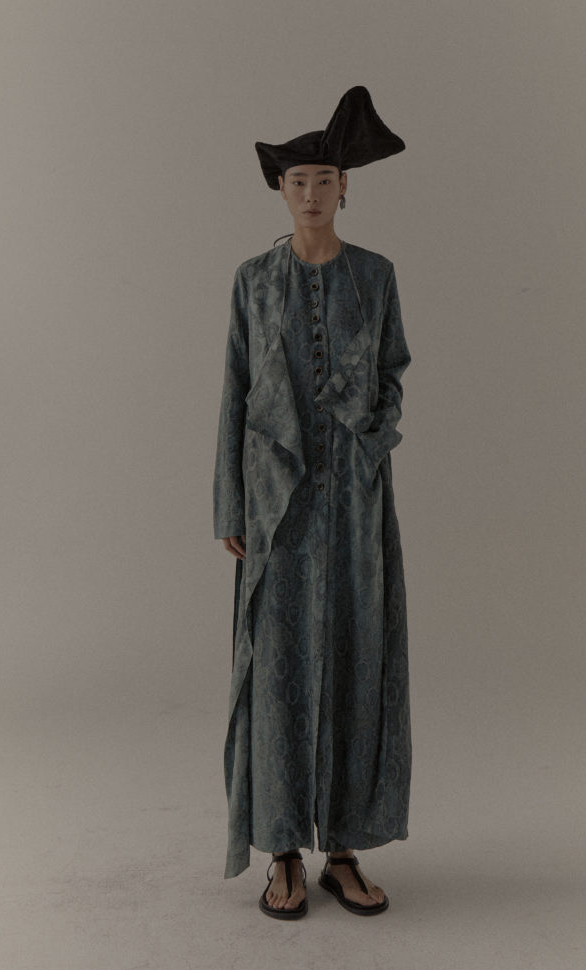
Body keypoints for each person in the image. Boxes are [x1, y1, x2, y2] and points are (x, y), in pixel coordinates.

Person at [213, 86, 412, 919]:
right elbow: (235, 391)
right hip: (277, 511)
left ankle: (344, 850)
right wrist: (231, 506)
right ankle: (282, 851)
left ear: (343, 188)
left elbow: (392, 373)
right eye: (297, 181)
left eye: (323, 180)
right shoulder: (254, 282)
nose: (310, 193)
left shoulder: (375, 276)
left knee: (357, 660)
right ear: (280, 190)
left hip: (356, 508)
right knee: (278, 667)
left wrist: (368, 435)